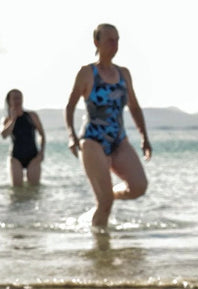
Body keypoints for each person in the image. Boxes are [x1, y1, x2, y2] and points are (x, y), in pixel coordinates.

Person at [65, 23, 150, 230]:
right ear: (97, 42)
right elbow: (70, 106)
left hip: (118, 139)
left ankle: (107, 195)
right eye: (110, 40)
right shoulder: (87, 73)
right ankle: (100, 253)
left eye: (117, 40)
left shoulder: (124, 74)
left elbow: (135, 107)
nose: (115, 44)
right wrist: (71, 135)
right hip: (93, 140)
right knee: (105, 204)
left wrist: (144, 137)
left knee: (139, 186)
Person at [1, 89, 45, 186]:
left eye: (19, 97)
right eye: (15, 98)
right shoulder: (6, 119)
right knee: (16, 189)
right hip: (16, 157)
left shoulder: (31, 116)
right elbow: (3, 135)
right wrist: (13, 120)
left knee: (34, 188)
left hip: (33, 156)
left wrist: (41, 152)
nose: (17, 100)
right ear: (9, 101)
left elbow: (42, 134)